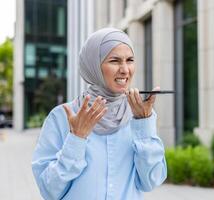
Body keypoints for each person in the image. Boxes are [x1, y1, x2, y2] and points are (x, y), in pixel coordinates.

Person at [32, 28, 167, 200]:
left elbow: (151, 181)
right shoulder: (61, 117)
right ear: (93, 65)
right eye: (114, 61)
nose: (125, 70)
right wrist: (76, 139)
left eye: (130, 60)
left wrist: (144, 126)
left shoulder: (140, 115)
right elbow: (49, 191)